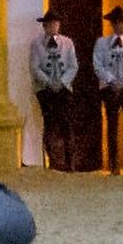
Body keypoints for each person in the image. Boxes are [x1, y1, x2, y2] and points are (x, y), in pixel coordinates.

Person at [90, 2, 123, 172]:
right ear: (113, 24)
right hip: (109, 88)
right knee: (112, 125)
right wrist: (112, 80)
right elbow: (98, 66)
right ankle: (114, 165)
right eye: (120, 22)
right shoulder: (102, 43)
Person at [26, 9, 80, 167]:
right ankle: (54, 162)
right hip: (45, 89)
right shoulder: (36, 44)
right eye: (49, 24)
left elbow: (73, 66)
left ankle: (70, 163)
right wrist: (49, 82)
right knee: (50, 123)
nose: (53, 27)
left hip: (64, 88)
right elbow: (34, 67)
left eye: (55, 24)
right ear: (44, 26)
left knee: (66, 123)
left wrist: (62, 82)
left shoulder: (67, 43)